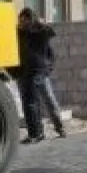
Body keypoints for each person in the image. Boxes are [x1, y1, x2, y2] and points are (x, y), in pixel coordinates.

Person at [13, 8, 66, 143]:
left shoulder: (39, 33)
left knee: (48, 100)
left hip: (39, 73)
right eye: (21, 19)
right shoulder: (19, 33)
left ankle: (59, 128)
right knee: (30, 103)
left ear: (31, 19)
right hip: (24, 73)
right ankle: (38, 132)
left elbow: (50, 49)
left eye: (25, 19)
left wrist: (48, 69)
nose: (22, 22)